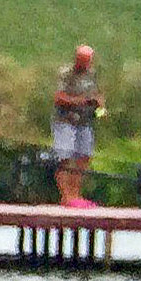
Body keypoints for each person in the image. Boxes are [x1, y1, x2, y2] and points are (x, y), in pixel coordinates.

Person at [52, 44, 101, 207]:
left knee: (84, 156)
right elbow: (58, 98)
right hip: (65, 121)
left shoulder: (92, 75)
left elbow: (96, 94)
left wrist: (98, 104)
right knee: (65, 157)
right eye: (82, 61)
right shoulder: (66, 74)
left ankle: (76, 195)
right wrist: (80, 101)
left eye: (88, 61)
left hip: (84, 121)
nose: (85, 65)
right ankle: (66, 197)